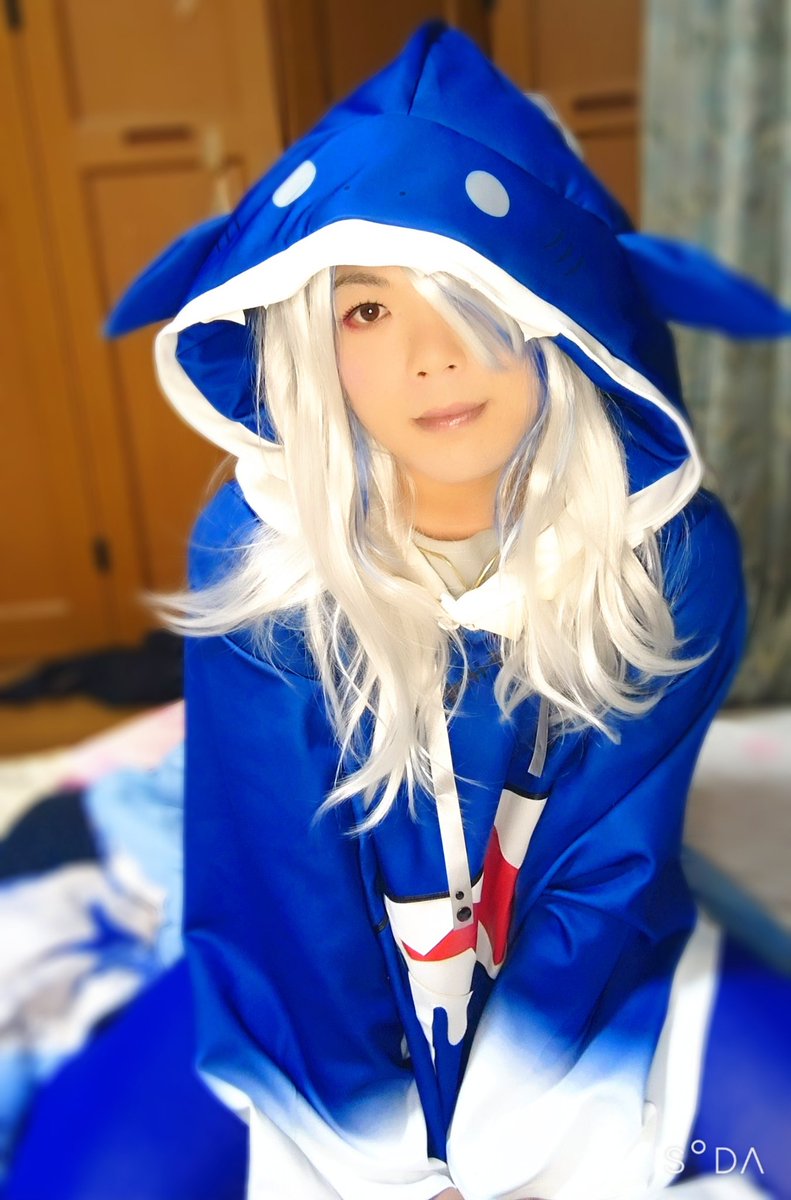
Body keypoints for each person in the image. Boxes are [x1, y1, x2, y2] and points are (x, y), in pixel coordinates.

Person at [16, 21, 786, 1200]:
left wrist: (500, 1139)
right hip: (302, 985)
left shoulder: (674, 555)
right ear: (308, 341)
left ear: (559, 304)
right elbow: (289, 898)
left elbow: (605, 870)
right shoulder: (256, 558)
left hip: (586, 969)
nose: (432, 357)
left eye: (470, 290)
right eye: (365, 311)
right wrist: (393, 1155)